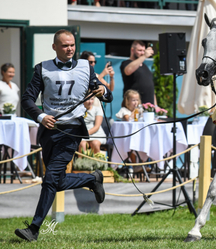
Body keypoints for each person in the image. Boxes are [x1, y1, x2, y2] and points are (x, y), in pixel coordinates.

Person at [16, 29, 113, 242]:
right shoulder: (42, 69)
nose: (69, 49)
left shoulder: (85, 67)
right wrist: (41, 116)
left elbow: (106, 93)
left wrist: (102, 92)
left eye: (72, 45)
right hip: (49, 130)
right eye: (64, 45)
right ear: (54, 47)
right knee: (56, 181)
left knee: (50, 178)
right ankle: (92, 178)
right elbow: (27, 100)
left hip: (72, 130)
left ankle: (33, 229)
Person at [120, 40, 156, 105]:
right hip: (134, 105)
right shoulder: (126, 63)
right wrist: (144, 56)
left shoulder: (145, 66)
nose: (142, 53)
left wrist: (156, 105)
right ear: (132, 50)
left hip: (149, 107)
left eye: (143, 51)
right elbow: (128, 71)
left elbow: (151, 88)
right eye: (139, 50)